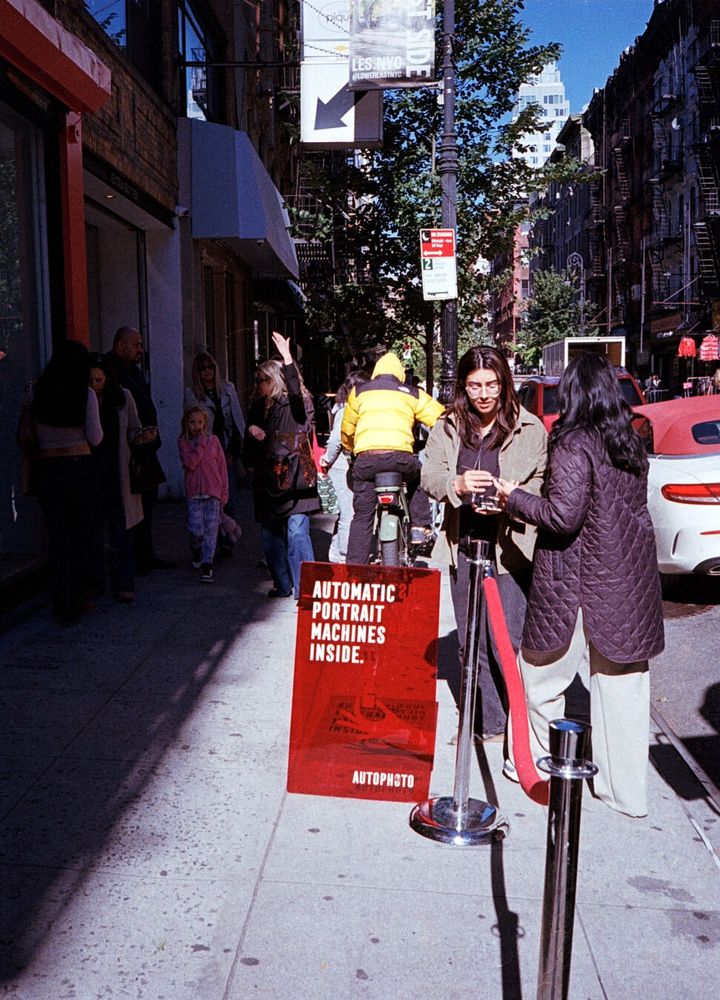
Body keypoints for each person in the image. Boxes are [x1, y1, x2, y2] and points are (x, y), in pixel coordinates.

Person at [495, 352, 664, 817]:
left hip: (576, 581)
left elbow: (562, 517)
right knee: (623, 690)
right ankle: (625, 794)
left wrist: (514, 497)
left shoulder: (571, 443)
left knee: (538, 676)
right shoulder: (628, 440)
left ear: (572, 394)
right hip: (628, 580)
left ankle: (530, 767)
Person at [421, 346, 547, 742]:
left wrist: (513, 499)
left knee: (506, 638)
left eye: (492, 384)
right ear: (463, 387)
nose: (484, 394)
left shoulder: (530, 428)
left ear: (505, 384)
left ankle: (519, 726)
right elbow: (428, 475)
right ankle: (487, 721)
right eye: (474, 386)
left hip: (511, 549)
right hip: (465, 545)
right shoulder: (448, 426)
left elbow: (543, 484)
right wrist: (454, 485)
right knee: (469, 639)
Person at [340, 351, 444, 565]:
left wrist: (350, 450)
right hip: (401, 459)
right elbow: (440, 418)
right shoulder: (411, 393)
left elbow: (347, 429)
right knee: (418, 477)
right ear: (400, 374)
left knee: (362, 517)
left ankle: (354, 570)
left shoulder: (359, 392)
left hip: (367, 460)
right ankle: (419, 526)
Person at [29, 341, 103, 625]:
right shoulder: (85, 395)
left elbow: (30, 434)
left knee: (58, 537)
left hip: (48, 471)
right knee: (81, 535)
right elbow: (96, 437)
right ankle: (81, 596)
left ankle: (62, 601)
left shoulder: (37, 392)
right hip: (79, 469)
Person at [244, 332, 318, 599]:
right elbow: (249, 439)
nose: (257, 384)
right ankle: (283, 584)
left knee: (297, 535)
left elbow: (296, 392)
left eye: (261, 380)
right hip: (268, 477)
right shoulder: (258, 405)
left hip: (296, 476)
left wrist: (287, 358)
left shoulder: (295, 403)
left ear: (273, 380)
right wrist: (251, 438)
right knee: (270, 538)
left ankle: (305, 589)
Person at [104, 326, 174, 574]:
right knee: (129, 507)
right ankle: (131, 558)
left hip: (144, 449)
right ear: (120, 345)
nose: (140, 350)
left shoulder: (132, 371)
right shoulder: (109, 372)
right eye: (136, 345)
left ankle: (145, 553)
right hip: (126, 451)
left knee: (147, 501)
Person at [88, 354, 147, 603]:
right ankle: (97, 584)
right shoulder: (81, 399)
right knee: (94, 531)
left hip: (117, 468)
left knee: (120, 530)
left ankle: (123, 583)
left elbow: (134, 427)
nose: (94, 384)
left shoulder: (122, 398)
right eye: (89, 380)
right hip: (90, 470)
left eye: (98, 379)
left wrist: (141, 437)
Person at [184, 352, 245, 556]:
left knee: (228, 495)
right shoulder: (192, 394)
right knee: (207, 499)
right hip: (204, 451)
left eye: (210, 366)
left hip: (225, 447)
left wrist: (239, 448)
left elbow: (237, 419)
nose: (207, 372)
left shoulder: (227, 389)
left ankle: (227, 537)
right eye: (202, 369)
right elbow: (189, 424)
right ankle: (210, 541)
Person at [319, 370, 369, 562]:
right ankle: (343, 555)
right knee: (348, 512)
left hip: (346, 465)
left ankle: (335, 553)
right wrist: (328, 459)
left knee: (346, 513)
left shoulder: (348, 408)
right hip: (341, 466)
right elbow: (336, 440)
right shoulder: (345, 410)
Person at [178, 404, 229, 583]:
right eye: (192, 422)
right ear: (186, 424)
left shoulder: (214, 441)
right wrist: (199, 442)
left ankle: (208, 564)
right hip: (194, 494)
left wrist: (224, 492)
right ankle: (196, 549)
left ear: (205, 423)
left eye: (200, 422)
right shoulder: (184, 442)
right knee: (195, 529)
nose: (196, 426)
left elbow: (222, 468)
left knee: (211, 529)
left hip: (212, 492)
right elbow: (190, 463)